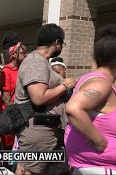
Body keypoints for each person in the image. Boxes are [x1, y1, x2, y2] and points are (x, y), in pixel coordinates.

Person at [14, 23, 77, 175]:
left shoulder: (39, 61)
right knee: (32, 171)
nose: (62, 47)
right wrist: (65, 86)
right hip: (38, 130)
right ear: (56, 42)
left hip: (44, 129)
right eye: (62, 43)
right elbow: (39, 97)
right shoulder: (36, 62)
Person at [64, 26, 116, 174]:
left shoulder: (94, 79)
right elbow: (73, 108)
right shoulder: (102, 84)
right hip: (99, 169)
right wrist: (99, 141)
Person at [0, 32, 28, 150]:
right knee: (9, 148)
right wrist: (16, 120)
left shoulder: (24, 69)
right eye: (23, 53)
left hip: (22, 113)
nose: (26, 55)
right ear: (14, 53)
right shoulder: (7, 71)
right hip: (12, 116)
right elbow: (6, 99)